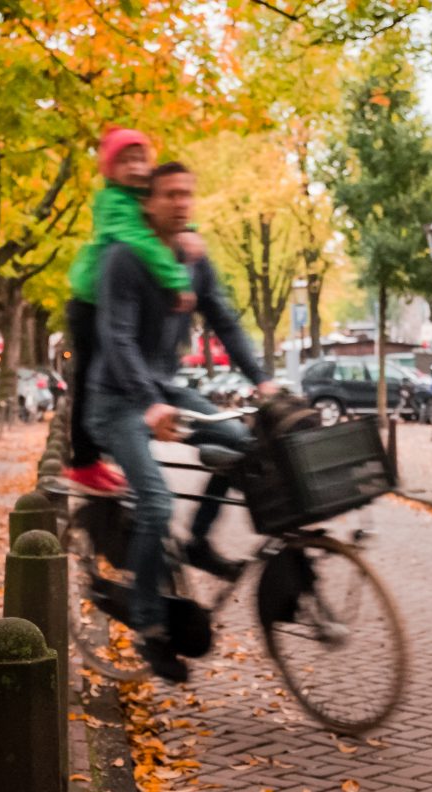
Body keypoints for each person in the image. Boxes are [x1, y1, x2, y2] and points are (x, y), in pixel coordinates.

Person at [85, 161, 279, 682]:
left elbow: (225, 321)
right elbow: (117, 338)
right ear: (147, 202)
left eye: (187, 194)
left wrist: (263, 380)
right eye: (169, 194)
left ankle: (196, 540)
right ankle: (150, 627)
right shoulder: (124, 258)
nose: (180, 202)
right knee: (154, 500)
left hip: (167, 388)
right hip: (117, 397)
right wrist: (150, 402)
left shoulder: (193, 258)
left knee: (242, 443)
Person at [64, 128, 204, 496]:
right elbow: (142, 238)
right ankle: (83, 463)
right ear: (109, 170)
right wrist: (176, 276)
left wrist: (189, 229)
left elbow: (165, 220)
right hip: (89, 303)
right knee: (88, 380)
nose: (136, 167)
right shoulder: (113, 203)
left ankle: (99, 456)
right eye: (125, 161)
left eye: (141, 158)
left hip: (107, 302)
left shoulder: (142, 196)